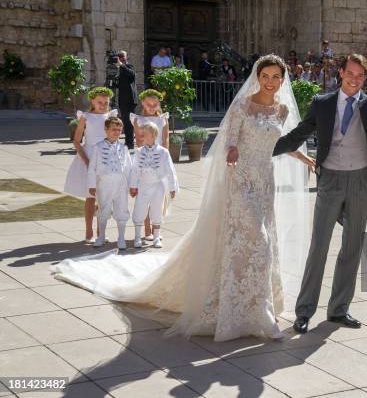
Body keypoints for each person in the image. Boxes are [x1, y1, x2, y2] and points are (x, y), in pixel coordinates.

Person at [51, 54, 315, 342]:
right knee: (258, 241)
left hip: (265, 181)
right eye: (266, 76)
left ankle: (250, 307)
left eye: (276, 76)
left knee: (251, 244)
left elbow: (279, 142)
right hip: (240, 180)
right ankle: (254, 313)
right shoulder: (243, 104)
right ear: (257, 76)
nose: (270, 82)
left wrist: (303, 157)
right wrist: (232, 151)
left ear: (283, 79)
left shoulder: (282, 109)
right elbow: (230, 139)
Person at [272, 34, 367, 334]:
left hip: (360, 179)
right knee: (319, 246)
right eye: (350, 74)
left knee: (352, 247)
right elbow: (299, 134)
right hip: (331, 180)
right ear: (341, 74)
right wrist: (267, 149)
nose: (355, 80)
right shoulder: (323, 103)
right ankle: (304, 311)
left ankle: (338, 310)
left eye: (360, 76)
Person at [63, 87, 118, 243]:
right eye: (99, 102)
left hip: (106, 159)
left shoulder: (111, 116)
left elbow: (115, 137)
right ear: (92, 101)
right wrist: (86, 161)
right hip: (88, 157)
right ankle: (88, 231)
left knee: (104, 198)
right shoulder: (85, 117)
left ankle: (101, 231)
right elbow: (76, 141)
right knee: (90, 197)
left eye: (105, 102)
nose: (102, 105)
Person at [130, 122, 178, 249]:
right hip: (143, 186)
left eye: (144, 134)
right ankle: (137, 236)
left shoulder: (163, 152)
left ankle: (156, 236)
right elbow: (134, 170)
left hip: (158, 186)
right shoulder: (139, 152)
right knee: (140, 209)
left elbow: (170, 170)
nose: (141, 137)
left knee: (157, 209)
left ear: (153, 135)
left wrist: (172, 188)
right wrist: (133, 186)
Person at [87, 117, 132, 249]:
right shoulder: (98, 147)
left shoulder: (123, 148)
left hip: (120, 184)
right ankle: (101, 237)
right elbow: (92, 168)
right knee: (103, 209)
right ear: (106, 130)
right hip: (104, 184)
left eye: (119, 130)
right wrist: (92, 185)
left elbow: (129, 168)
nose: (117, 132)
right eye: (113, 129)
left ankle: (121, 237)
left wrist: (132, 185)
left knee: (122, 209)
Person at [117, 50, 137, 150]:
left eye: (123, 56)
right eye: (119, 56)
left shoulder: (129, 67)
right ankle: (127, 142)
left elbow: (132, 75)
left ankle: (130, 144)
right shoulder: (119, 69)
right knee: (125, 122)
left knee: (129, 123)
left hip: (130, 100)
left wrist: (122, 65)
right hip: (122, 100)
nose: (121, 58)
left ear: (126, 57)